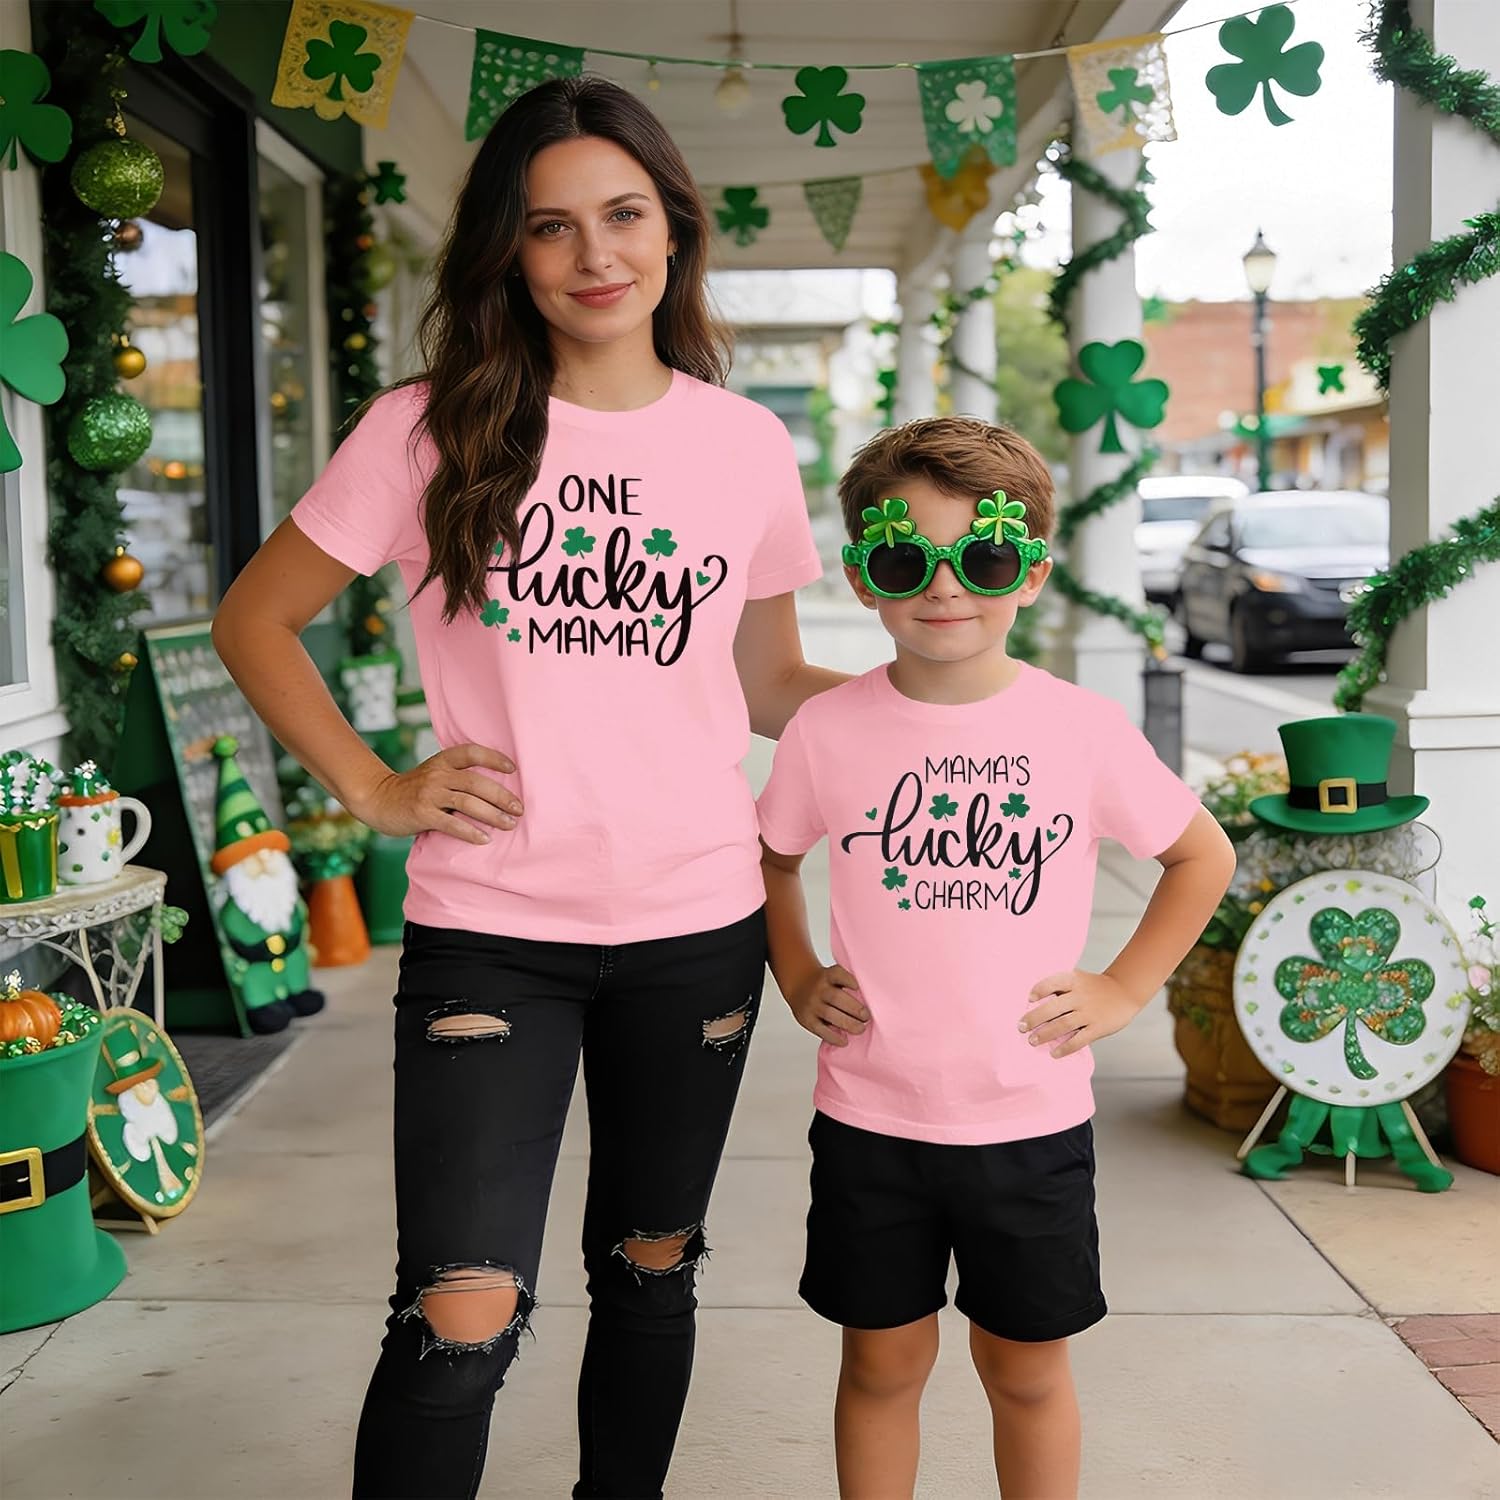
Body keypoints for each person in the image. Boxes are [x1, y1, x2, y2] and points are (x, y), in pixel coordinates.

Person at [212, 76, 841, 1500]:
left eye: (624, 215)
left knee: (650, 1274)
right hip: (495, 927)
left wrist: (936, 689)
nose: (594, 253)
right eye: (552, 227)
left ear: (674, 229)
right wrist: (376, 786)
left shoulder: (743, 444)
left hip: (697, 929)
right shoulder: (429, 425)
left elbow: (766, 687)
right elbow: (255, 618)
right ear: (508, 250)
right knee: (459, 1314)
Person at [756, 418, 1235, 1499]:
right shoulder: (829, 731)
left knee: (1024, 1369)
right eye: (902, 559)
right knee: (881, 1362)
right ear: (862, 576)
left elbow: (1200, 854)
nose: (945, 589)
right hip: (872, 1117)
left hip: (1030, 1121)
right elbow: (771, 859)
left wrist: (1124, 986)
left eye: (983, 557)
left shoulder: (1081, 729)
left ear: (1031, 571)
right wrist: (795, 971)